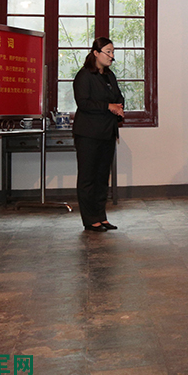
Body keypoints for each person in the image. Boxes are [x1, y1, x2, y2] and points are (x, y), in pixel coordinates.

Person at [72, 37, 124, 232]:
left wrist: (118, 106)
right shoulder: (84, 75)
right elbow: (83, 103)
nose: (111, 56)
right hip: (88, 134)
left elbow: (118, 96)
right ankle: (90, 219)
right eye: (108, 52)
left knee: (102, 177)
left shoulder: (109, 76)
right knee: (88, 177)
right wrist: (108, 106)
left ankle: (101, 216)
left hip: (107, 132)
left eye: (113, 52)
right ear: (96, 53)